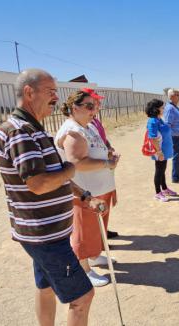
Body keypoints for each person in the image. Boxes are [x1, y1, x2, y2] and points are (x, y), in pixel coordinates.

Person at [0, 69, 94, 326]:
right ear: (29, 92)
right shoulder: (20, 132)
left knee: (46, 287)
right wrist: (70, 169)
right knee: (82, 296)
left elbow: (53, 175)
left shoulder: (33, 129)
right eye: (50, 91)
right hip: (45, 235)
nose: (56, 97)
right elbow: (38, 183)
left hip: (45, 232)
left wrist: (81, 193)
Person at [55, 88, 120, 287]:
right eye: (89, 106)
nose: (94, 110)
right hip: (85, 191)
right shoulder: (72, 131)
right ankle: (84, 269)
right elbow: (77, 162)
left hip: (99, 187)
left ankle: (93, 256)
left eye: (96, 106)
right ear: (74, 107)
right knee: (83, 231)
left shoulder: (87, 125)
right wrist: (107, 164)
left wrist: (107, 155)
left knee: (96, 228)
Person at [84, 89, 119, 239]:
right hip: (96, 171)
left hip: (105, 166)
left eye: (98, 101)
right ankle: (99, 237)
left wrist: (109, 147)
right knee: (99, 203)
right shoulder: (86, 122)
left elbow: (102, 138)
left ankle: (103, 230)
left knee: (106, 201)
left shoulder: (95, 121)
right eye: (94, 102)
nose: (98, 104)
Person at [147, 99, 177, 202]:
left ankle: (164, 189)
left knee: (162, 170)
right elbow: (152, 137)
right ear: (156, 109)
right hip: (159, 151)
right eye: (162, 107)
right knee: (159, 171)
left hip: (164, 150)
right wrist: (159, 152)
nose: (163, 109)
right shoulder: (152, 121)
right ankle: (157, 193)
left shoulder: (159, 119)